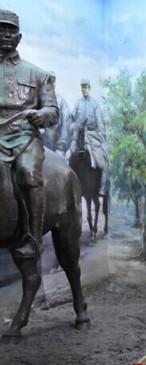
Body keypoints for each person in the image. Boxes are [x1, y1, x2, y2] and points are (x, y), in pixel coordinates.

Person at [0, 9, 59, 258]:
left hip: (23, 136)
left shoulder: (38, 74)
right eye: (1, 29)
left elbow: (53, 110)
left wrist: (41, 115)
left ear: (19, 37)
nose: (6, 34)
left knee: (28, 173)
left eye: (11, 30)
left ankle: (33, 240)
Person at [69, 78, 109, 195]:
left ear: (89, 88)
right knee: (67, 156)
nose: (84, 89)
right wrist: (74, 128)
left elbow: (100, 126)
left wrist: (97, 137)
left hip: (92, 136)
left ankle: (102, 186)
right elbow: (72, 120)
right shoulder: (77, 103)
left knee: (102, 162)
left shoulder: (95, 105)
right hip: (79, 136)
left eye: (86, 87)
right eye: (82, 87)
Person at [41, 71, 71, 156]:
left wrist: (62, 142)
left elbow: (65, 123)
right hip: (41, 140)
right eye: (49, 82)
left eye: (53, 81)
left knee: (60, 160)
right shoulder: (39, 99)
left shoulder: (61, 101)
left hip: (56, 142)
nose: (52, 84)